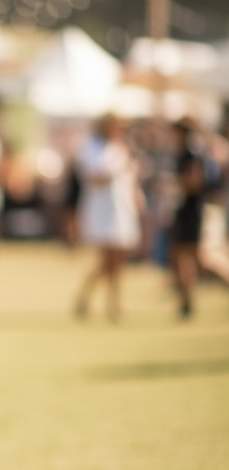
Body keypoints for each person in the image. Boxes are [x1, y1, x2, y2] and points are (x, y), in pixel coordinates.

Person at [73, 114, 142, 320]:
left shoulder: (122, 147)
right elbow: (92, 177)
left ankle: (113, 302)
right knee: (106, 259)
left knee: (118, 260)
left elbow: (130, 179)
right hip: (102, 210)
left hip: (121, 208)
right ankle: (89, 298)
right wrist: (113, 172)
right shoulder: (93, 147)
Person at [169, 118, 206, 317]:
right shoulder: (186, 153)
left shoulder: (190, 154)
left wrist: (174, 185)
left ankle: (187, 300)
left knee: (193, 256)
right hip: (186, 210)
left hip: (190, 210)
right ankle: (186, 300)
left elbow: (194, 183)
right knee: (184, 256)